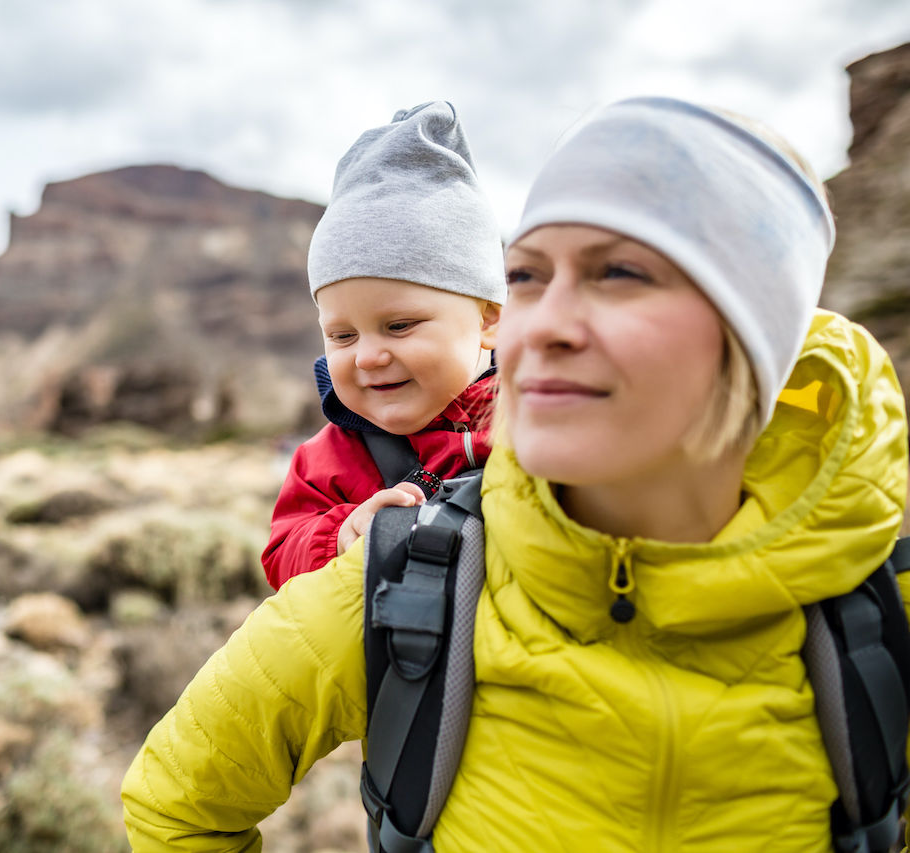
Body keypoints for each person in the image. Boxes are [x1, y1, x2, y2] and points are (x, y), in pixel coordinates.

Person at [120, 96, 909, 851]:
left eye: (619, 275)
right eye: (530, 275)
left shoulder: (877, 617)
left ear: (756, 332)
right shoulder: (402, 582)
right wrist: (345, 540)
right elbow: (174, 804)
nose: (547, 324)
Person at [261, 101, 505, 588]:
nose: (368, 356)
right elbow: (281, 554)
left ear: (488, 319)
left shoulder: (542, 418)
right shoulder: (330, 458)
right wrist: (342, 536)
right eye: (342, 335)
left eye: (399, 326)